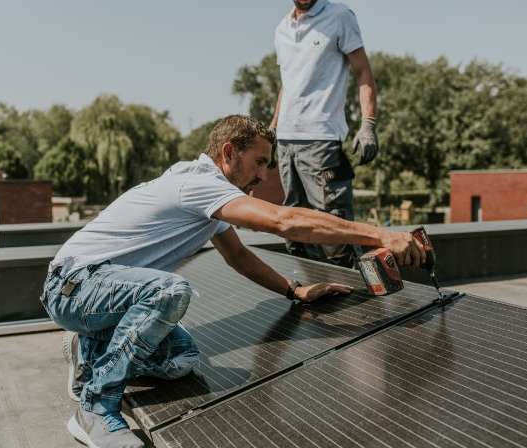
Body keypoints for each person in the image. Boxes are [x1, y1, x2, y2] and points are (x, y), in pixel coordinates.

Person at [40, 115, 424, 448]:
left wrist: (295, 290)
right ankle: (94, 408)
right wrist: (378, 235)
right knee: (169, 291)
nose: (262, 175)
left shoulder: (204, 193)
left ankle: (90, 345)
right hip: (73, 285)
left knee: (184, 359)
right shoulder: (199, 183)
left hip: (95, 292)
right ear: (228, 152)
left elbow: (238, 256)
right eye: (259, 162)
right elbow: (284, 221)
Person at [270, 0, 379, 267]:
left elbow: (363, 71)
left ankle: (351, 301)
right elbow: (288, 85)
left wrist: (368, 124)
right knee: (294, 229)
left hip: (321, 140)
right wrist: (272, 129)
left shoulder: (339, 16)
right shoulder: (282, 28)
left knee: (334, 229)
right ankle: (313, 297)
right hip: (286, 142)